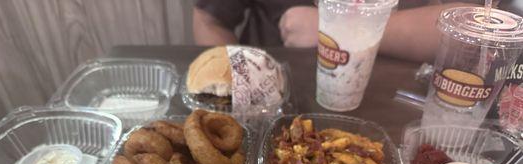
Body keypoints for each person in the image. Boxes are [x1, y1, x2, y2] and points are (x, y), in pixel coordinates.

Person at [193, 1, 480, 63]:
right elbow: (210, 21)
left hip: (397, 112)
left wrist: (342, 30)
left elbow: (478, 31)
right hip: (273, 101)